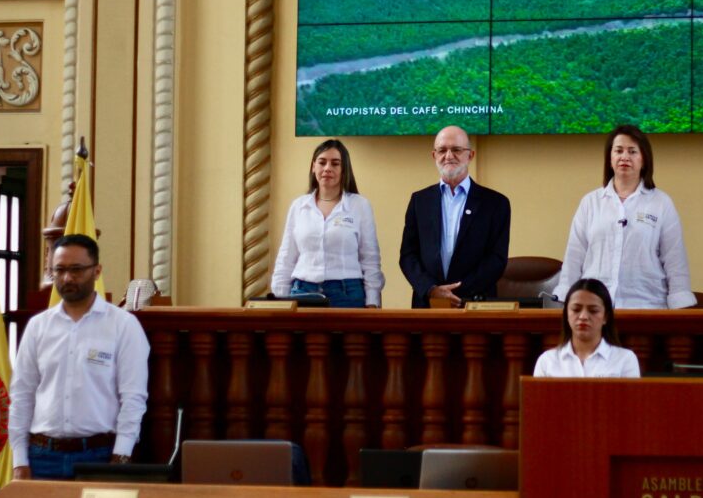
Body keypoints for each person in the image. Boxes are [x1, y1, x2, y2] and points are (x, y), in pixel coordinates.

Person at [9, 234, 150, 480]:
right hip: (41, 457)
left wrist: (121, 456)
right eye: (59, 270)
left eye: (76, 270)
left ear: (96, 271)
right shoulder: (38, 326)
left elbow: (133, 398)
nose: (67, 278)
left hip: (100, 456)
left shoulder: (123, 326)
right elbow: (22, 395)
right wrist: (19, 460)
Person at [552, 125, 695, 309]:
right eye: (618, 151)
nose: (624, 157)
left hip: (647, 306)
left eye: (632, 151)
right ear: (610, 159)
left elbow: (675, 259)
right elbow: (574, 256)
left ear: (644, 159)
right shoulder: (590, 202)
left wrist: (680, 304)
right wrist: (566, 297)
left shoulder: (661, 203)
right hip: (596, 309)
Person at [399, 125, 511, 308]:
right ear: (434, 156)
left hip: (474, 305)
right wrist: (431, 289)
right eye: (442, 150)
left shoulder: (496, 203)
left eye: (457, 150)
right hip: (428, 303)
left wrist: (455, 292)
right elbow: (408, 256)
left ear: (470, 155)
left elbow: (496, 259)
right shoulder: (419, 201)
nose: (449, 156)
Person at [271, 139, 384, 307]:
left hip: (348, 294)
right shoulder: (299, 206)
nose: (327, 169)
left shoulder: (359, 205)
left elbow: (370, 259)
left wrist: (373, 301)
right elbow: (286, 257)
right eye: (322, 162)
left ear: (344, 169)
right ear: (313, 167)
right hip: (303, 292)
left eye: (335, 164)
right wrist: (279, 299)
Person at [534, 278, 640, 377]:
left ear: (606, 317)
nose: (583, 316)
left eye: (593, 311)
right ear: (566, 314)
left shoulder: (625, 360)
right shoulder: (547, 361)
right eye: (576, 309)